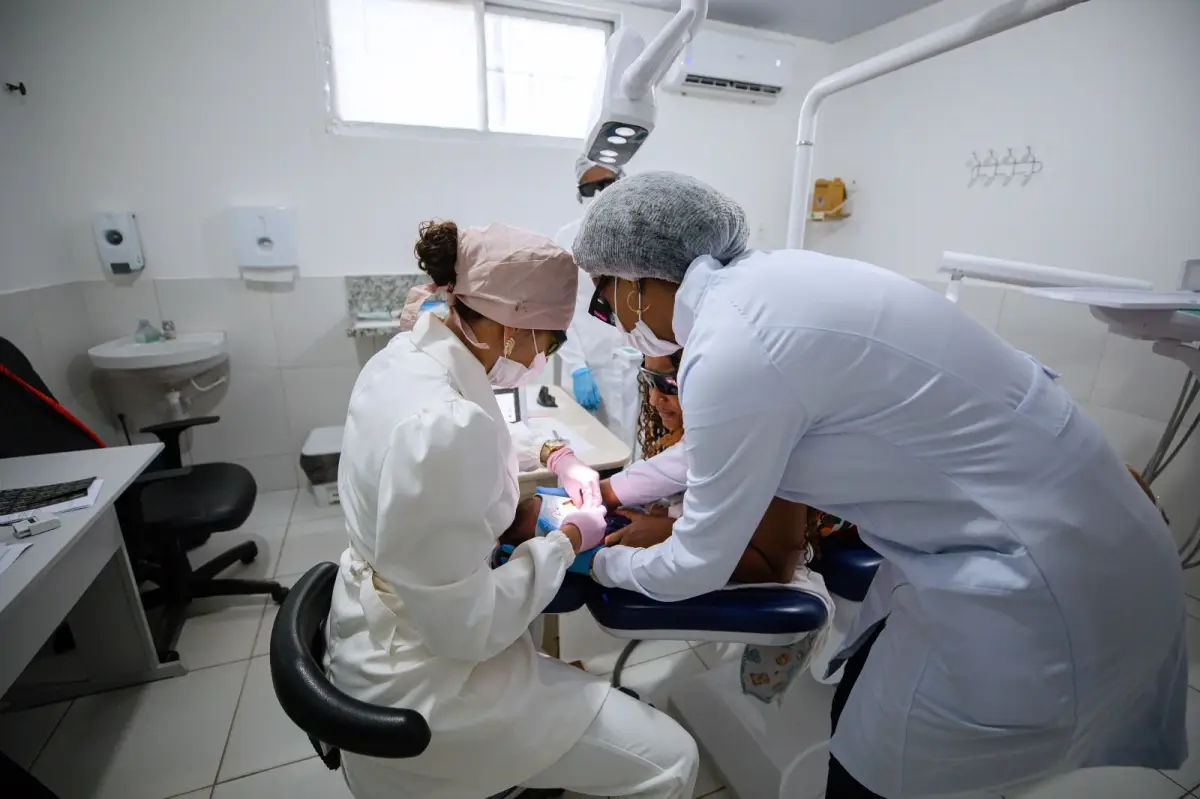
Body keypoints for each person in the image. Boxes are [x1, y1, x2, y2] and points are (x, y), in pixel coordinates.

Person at [570, 171, 1187, 798]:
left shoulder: (732, 343)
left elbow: (697, 565)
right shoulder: (767, 289)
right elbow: (706, 452)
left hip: (1044, 589)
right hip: (1079, 539)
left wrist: (596, 559)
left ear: (637, 280)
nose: (612, 321)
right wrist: (615, 493)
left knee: (876, 779)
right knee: (864, 708)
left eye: (604, 300)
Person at [325, 219, 699, 799]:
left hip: (377, 627)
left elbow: (477, 432)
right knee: (672, 760)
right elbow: (468, 628)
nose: (545, 356)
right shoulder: (442, 426)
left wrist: (556, 457)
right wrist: (566, 541)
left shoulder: (409, 356)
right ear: (511, 327)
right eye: (549, 341)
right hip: (431, 688)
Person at [555, 155, 642, 446]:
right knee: (589, 450)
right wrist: (578, 367)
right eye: (589, 188)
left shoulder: (643, 235)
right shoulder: (567, 239)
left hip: (639, 365)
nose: (599, 194)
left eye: (606, 183)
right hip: (590, 364)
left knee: (635, 450)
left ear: (622, 181)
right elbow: (559, 310)